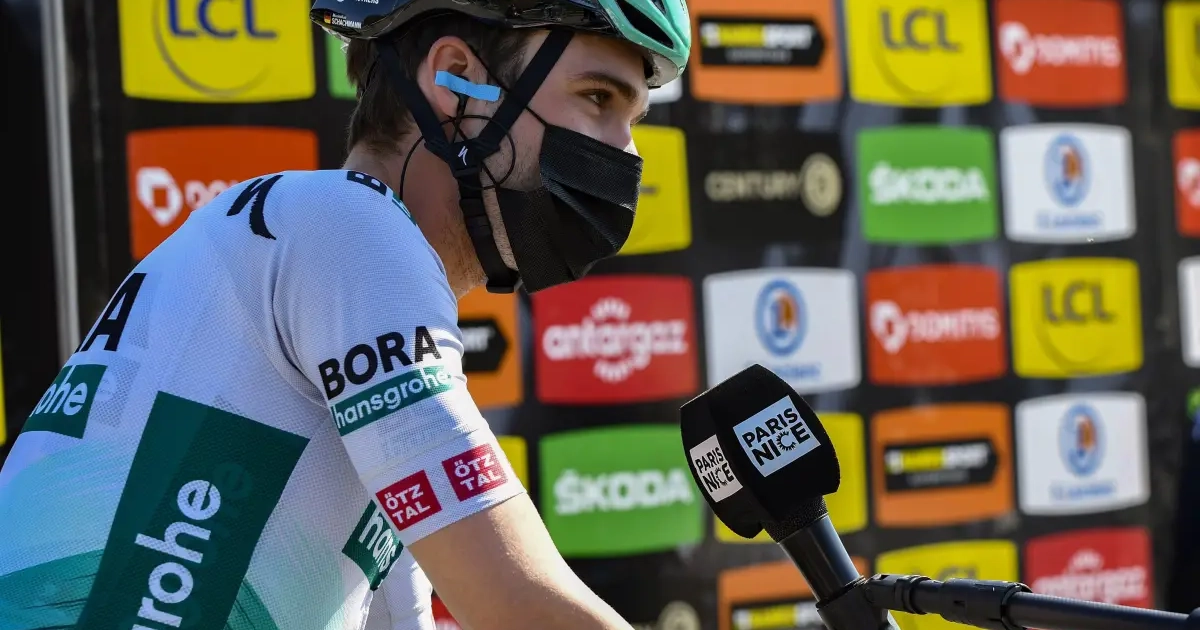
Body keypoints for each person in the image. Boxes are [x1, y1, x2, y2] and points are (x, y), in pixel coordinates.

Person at [0, 0, 690, 628]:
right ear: (456, 79)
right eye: (597, 97)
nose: (627, 153)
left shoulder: (317, 248)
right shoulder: (352, 229)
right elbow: (516, 601)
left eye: (632, 121)